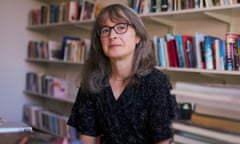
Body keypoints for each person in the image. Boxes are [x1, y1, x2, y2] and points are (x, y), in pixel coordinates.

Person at [67, 3, 178, 144]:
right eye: (106, 30)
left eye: (120, 27)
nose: (112, 35)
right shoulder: (93, 81)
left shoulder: (157, 83)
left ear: (138, 36)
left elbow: (163, 141)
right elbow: (86, 138)